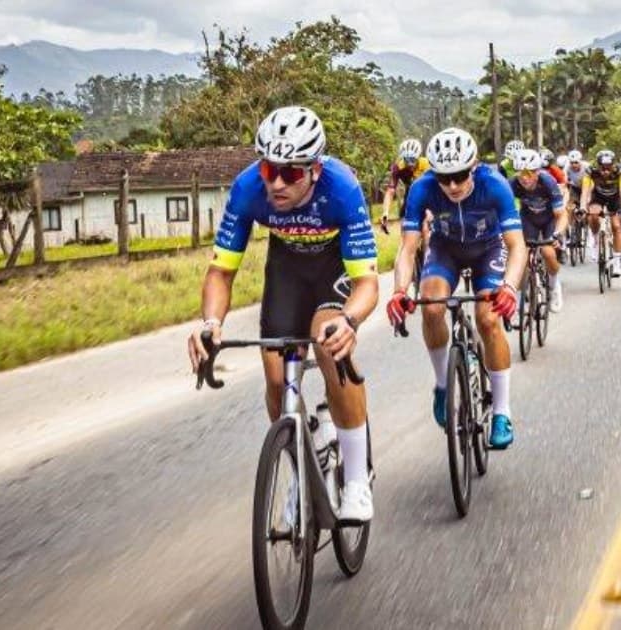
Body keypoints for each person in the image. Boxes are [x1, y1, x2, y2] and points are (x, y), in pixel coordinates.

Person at [187, 106, 379, 521]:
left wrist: (349, 321)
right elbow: (220, 271)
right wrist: (211, 323)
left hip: (333, 266)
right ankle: (302, 469)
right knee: (276, 380)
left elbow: (367, 284)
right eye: (268, 168)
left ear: (314, 170)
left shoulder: (342, 189)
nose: (276, 182)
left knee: (328, 344)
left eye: (290, 173)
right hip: (287, 268)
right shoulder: (247, 190)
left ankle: (357, 481)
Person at [387, 128, 527, 449]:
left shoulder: (496, 186)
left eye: (460, 175)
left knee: (488, 320)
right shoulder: (422, 189)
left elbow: (517, 246)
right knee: (432, 306)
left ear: (474, 166)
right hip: (446, 248)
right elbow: (408, 249)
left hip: (489, 250)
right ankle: (441, 385)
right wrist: (398, 290)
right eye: (443, 177)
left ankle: (502, 412)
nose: (452, 185)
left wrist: (509, 287)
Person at [511, 149, 567, 312]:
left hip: (549, 219)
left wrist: (558, 234)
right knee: (522, 257)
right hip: (528, 219)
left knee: (548, 252)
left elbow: (562, 214)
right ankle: (523, 292)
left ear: (537, 171)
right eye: (520, 173)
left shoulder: (547, 181)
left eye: (528, 173)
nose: (524, 178)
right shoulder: (513, 184)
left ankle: (554, 285)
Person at [580, 149, 621, 277]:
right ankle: (596, 239)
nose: (606, 171)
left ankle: (617, 263)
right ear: (598, 165)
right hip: (598, 197)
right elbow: (585, 191)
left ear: (613, 165)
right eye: (603, 168)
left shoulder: (620, 171)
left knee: (617, 226)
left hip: (615, 198)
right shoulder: (590, 171)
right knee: (593, 215)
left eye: (609, 167)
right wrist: (582, 207)